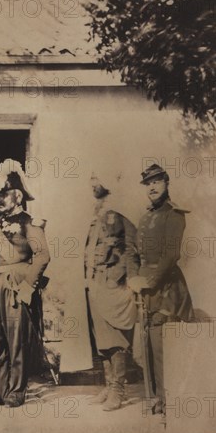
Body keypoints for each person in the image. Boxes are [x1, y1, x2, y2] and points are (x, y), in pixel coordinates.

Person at [0, 159, 50, 407]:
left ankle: (16, 391)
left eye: (3, 194)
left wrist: (29, 286)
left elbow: (43, 256)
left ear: (17, 196)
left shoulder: (30, 223)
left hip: (15, 285)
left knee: (17, 340)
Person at [127, 164, 195, 415]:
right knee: (146, 345)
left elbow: (171, 254)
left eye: (157, 182)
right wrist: (134, 277)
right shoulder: (145, 218)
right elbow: (133, 253)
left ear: (167, 184)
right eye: (148, 183)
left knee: (162, 348)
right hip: (145, 289)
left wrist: (150, 281)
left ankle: (169, 403)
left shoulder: (174, 215)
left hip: (166, 287)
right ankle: (153, 399)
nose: (152, 187)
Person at [84, 173, 137, 411]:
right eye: (91, 180)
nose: (93, 184)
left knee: (116, 339)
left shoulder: (119, 209)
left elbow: (131, 250)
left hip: (113, 284)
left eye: (97, 179)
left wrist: (118, 278)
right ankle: (108, 384)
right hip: (96, 283)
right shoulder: (98, 212)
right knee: (102, 339)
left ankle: (119, 390)